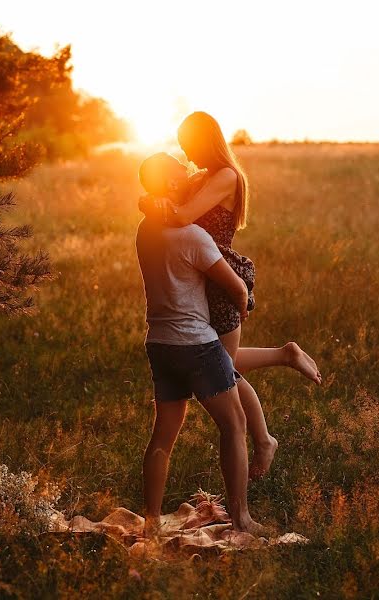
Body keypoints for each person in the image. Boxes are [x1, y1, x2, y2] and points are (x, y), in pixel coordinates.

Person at [140, 112, 322, 479]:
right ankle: (283, 357)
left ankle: (264, 438)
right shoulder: (204, 175)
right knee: (226, 366)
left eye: (189, 146)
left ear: (206, 140)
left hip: (220, 277)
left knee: (226, 369)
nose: (187, 155)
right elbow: (164, 190)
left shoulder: (226, 177)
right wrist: (149, 200)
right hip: (198, 276)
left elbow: (181, 214)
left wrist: (154, 206)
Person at [135, 157, 265, 535]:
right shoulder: (193, 236)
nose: (188, 178)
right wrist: (242, 312)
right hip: (197, 344)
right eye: (179, 175)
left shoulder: (145, 230)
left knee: (163, 436)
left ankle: (151, 521)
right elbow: (237, 287)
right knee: (234, 424)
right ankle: (242, 519)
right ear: (170, 185)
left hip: (159, 343)